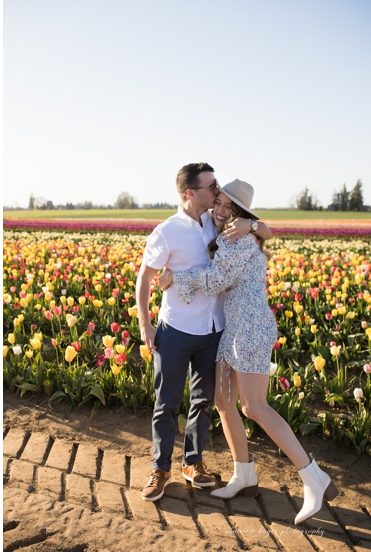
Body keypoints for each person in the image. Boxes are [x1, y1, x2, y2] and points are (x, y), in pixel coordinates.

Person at [158, 179, 338, 524]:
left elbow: (212, 283)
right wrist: (254, 225)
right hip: (233, 327)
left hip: (251, 328)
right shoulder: (235, 232)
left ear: (241, 213)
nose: (221, 211)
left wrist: (174, 277)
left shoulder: (237, 239)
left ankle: (314, 477)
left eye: (230, 207)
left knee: (254, 406)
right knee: (224, 402)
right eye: (219, 203)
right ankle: (244, 474)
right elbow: (243, 248)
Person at [134, 162, 270, 502]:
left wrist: (252, 222)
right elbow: (145, 279)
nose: (216, 191)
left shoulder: (219, 221)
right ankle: (160, 469)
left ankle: (192, 463)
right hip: (177, 329)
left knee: (204, 402)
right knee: (166, 403)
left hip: (214, 329)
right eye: (211, 186)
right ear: (190, 192)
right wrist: (145, 325)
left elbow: (266, 231)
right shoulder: (166, 231)